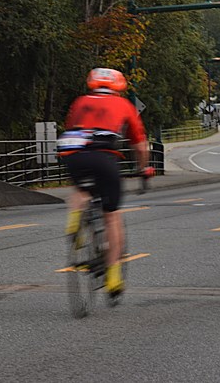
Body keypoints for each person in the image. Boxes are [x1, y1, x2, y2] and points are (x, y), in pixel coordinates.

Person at [59, 68, 150, 298]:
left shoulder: (80, 101)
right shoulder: (123, 105)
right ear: (118, 87)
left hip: (73, 154)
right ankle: (113, 275)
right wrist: (143, 169)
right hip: (103, 158)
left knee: (82, 189)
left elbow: (71, 127)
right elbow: (140, 145)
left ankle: (75, 222)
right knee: (112, 216)